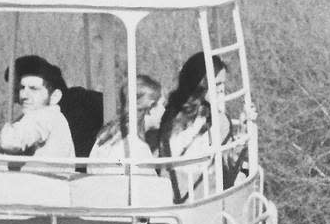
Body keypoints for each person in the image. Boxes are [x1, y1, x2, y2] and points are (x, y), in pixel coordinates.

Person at [158, 52, 237, 200]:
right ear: (201, 84)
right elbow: (229, 167)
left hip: (169, 195)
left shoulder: (170, 113)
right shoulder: (218, 121)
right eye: (217, 84)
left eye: (223, 84)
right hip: (200, 199)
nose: (222, 89)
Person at [0, 56, 76, 169]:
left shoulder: (45, 115)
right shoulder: (39, 115)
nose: (23, 95)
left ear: (54, 97)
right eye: (22, 88)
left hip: (45, 183)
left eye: (33, 89)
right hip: (40, 182)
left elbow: (12, 141)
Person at [90, 74, 163, 160]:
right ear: (150, 107)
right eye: (161, 104)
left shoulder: (106, 135)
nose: (164, 110)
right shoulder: (134, 146)